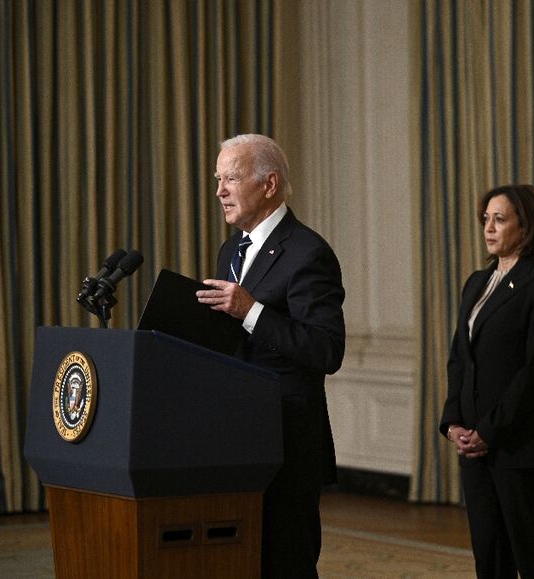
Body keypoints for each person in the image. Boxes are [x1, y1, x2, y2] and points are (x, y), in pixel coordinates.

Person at [196, 134, 345, 578]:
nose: (220, 190)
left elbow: (326, 349)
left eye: (231, 179)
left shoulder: (307, 252)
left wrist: (251, 310)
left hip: (286, 443)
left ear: (269, 183)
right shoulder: (231, 250)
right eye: (218, 179)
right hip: (233, 438)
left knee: (287, 563)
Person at [440, 184, 534, 578]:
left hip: (521, 441)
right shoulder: (475, 282)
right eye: (486, 220)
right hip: (474, 443)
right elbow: (458, 359)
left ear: (526, 225)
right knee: (489, 553)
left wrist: (490, 431)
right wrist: (453, 423)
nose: (489, 228)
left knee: (532, 553)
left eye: (500, 219)